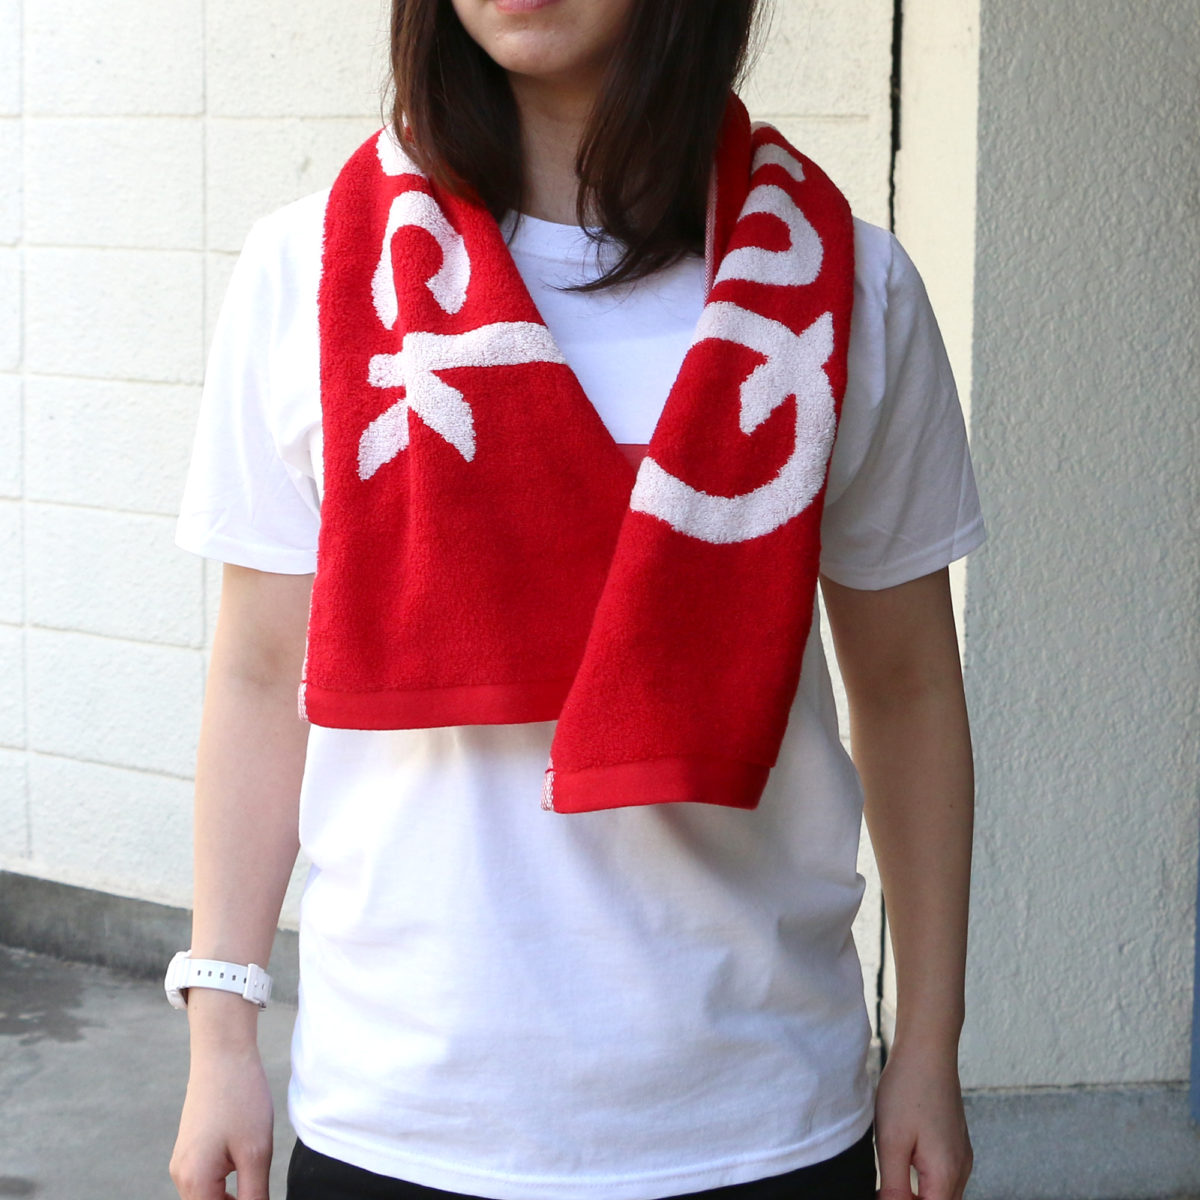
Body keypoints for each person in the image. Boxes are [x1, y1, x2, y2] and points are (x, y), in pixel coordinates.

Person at [168, 1, 983, 1198]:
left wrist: (928, 1047)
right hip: (406, 1108)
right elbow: (255, 671)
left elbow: (908, 688)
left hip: (754, 1108)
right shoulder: (316, 272)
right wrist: (221, 1029)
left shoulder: (844, 288)